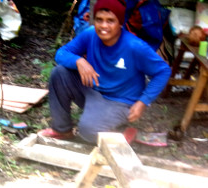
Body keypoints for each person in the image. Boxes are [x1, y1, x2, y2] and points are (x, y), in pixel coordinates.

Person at [39, 0, 170, 143]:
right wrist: (79, 61)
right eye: (99, 20)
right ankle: (62, 130)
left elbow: (163, 71)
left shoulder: (134, 46)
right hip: (94, 90)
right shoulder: (90, 34)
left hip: (120, 101)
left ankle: (122, 132)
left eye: (110, 21)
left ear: (120, 23)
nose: (104, 26)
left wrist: (143, 102)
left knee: (88, 131)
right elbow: (61, 53)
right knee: (60, 73)